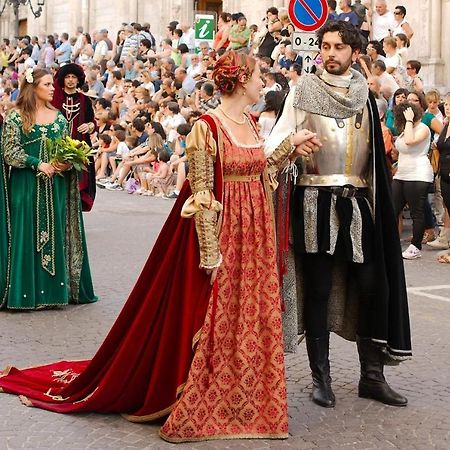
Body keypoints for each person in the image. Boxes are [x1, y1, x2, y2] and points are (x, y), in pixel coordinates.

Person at [0, 51, 317, 442]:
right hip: (226, 233)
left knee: (247, 313)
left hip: (255, 234)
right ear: (238, 80)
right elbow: (201, 193)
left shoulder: (250, 123)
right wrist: (209, 252)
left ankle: (247, 396)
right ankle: (211, 396)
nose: (262, 81)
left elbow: (259, 170)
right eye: (256, 75)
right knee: (220, 315)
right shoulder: (208, 126)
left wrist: (289, 147)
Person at [265, 20, 411, 409]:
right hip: (314, 201)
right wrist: (291, 149)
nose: (330, 54)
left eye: (338, 48)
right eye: (325, 46)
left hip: (360, 203)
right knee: (318, 289)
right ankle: (321, 379)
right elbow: (275, 143)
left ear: (354, 54)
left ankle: (371, 377)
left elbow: (373, 158)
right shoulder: (302, 90)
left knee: (371, 286)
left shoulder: (365, 94)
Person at [0, 69, 97, 309]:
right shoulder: (16, 117)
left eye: (52, 84)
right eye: (47, 84)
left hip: (55, 185)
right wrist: (37, 163)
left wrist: (66, 162)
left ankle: (52, 294)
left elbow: (65, 148)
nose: (53, 88)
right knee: (26, 232)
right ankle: (25, 294)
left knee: (54, 232)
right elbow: (9, 152)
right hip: (25, 185)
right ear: (33, 88)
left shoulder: (59, 117)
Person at [51, 63, 97, 211]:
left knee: (78, 181)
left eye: (74, 77)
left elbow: (92, 122)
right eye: (67, 77)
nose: (70, 80)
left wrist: (89, 126)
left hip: (80, 147)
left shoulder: (85, 100)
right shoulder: (54, 98)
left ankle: (74, 213)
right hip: (58, 146)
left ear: (78, 80)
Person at [392, 102, 434, 259]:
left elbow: (410, 141)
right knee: (392, 208)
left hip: (418, 175)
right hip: (402, 174)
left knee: (417, 212)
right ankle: (389, 241)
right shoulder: (405, 129)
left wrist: (409, 121)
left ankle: (415, 247)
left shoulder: (422, 128)